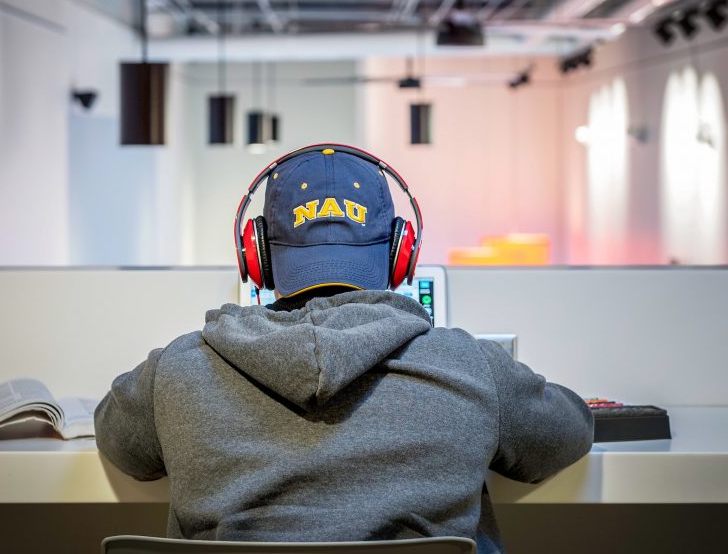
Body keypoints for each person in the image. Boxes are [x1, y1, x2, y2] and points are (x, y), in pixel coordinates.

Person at [95, 143, 593, 553]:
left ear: (257, 256)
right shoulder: (470, 367)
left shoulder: (179, 371)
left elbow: (120, 445)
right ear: (401, 255)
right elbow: (568, 433)